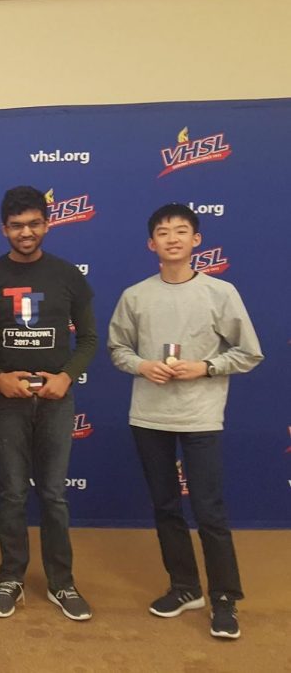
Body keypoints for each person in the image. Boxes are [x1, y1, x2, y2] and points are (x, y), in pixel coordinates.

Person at [107, 203, 263, 639]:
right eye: (163, 231)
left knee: (209, 510)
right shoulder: (135, 296)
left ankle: (225, 599)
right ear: (151, 243)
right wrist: (142, 366)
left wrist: (206, 367)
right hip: (149, 416)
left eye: (181, 231)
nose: (172, 238)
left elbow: (249, 352)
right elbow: (117, 349)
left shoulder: (221, 293)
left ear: (197, 241)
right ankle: (184, 587)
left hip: (200, 417)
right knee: (165, 507)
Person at [0, 185, 97, 622]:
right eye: (16, 225)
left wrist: (66, 376)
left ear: (47, 223)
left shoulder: (67, 275)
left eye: (33, 224)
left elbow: (89, 338)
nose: (25, 232)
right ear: (4, 228)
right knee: (11, 493)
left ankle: (62, 582)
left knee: (53, 495)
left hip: (56, 401)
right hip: (6, 401)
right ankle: (11, 578)